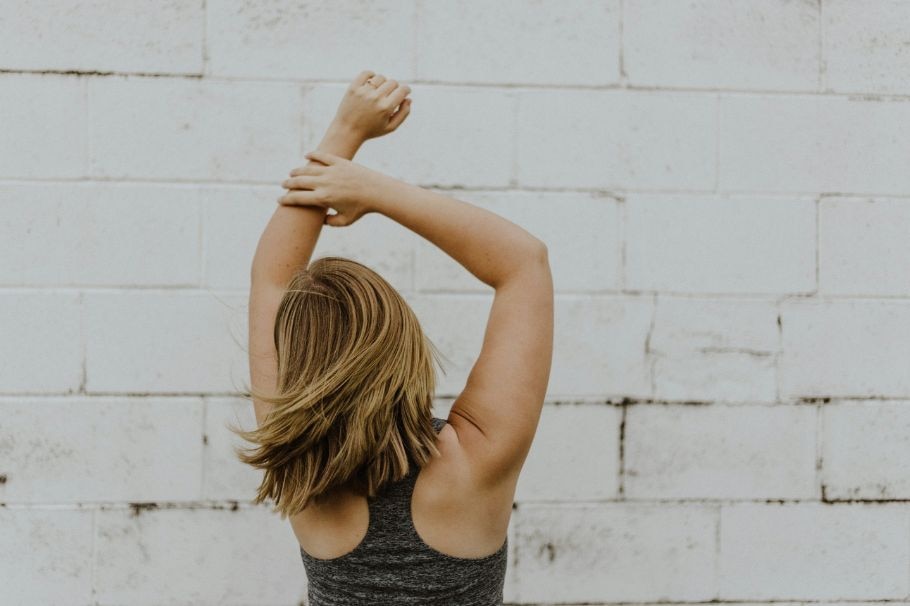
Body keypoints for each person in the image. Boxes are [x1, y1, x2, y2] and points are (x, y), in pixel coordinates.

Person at [231, 70, 554, 605]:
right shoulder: (475, 460)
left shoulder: (297, 463)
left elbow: (271, 278)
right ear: (401, 347)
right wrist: (371, 190)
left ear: (296, 368)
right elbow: (523, 263)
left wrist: (344, 132)